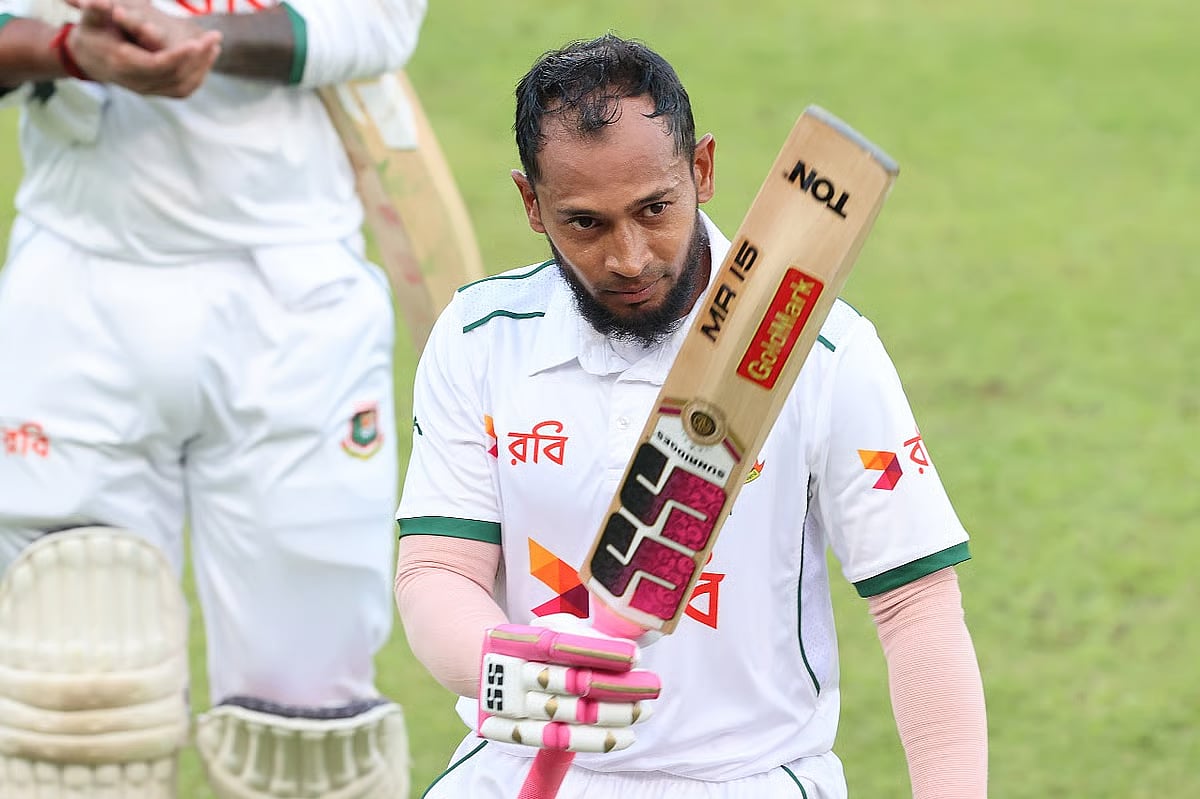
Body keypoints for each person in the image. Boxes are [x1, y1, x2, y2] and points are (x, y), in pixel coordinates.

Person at [394, 33, 988, 799]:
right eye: (586, 223)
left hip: (745, 779)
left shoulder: (823, 350)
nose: (631, 257)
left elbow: (914, 604)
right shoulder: (480, 338)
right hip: (512, 767)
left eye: (655, 209)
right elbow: (438, 570)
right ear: (531, 205)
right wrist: (517, 671)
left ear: (701, 169)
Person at [0, 0, 425, 796]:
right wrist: (66, 50)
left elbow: (381, 21)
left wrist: (207, 42)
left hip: (293, 297)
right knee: (75, 715)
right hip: (80, 283)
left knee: (305, 740)